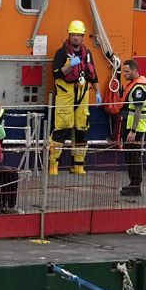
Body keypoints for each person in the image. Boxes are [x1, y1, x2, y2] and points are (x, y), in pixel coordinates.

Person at [50, 20, 97, 175]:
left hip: (83, 95)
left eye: (79, 35)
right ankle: (53, 165)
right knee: (62, 129)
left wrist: (97, 93)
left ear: (83, 37)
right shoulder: (62, 53)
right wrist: (70, 65)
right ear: (69, 35)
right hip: (66, 94)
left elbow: (92, 74)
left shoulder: (87, 53)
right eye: (73, 35)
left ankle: (78, 165)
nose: (76, 37)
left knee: (81, 130)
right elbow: (56, 73)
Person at [114, 60, 146, 197]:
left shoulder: (138, 88)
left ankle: (136, 186)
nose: (124, 74)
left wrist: (133, 131)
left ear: (135, 70)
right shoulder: (138, 84)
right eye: (123, 71)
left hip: (134, 127)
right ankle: (133, 184)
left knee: (134, 156)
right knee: (131, 156)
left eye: (127, 71)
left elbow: (137, 110)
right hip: (131, 125)